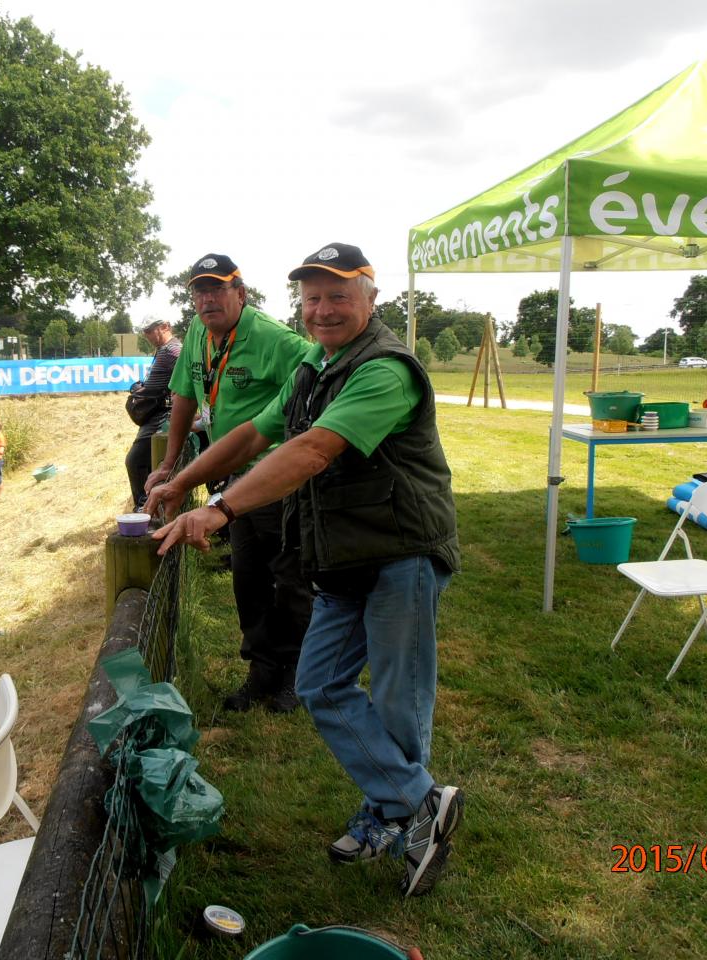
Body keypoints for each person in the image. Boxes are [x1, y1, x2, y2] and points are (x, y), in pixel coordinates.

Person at [149, 243, 463, 898]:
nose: (322, 310)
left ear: (371, 300)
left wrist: (223, 509)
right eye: (312, 297)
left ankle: (393, 813)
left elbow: (314, 449)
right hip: (342, 554)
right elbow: (253, 436)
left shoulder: (386, 370)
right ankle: (419, 800)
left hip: (401, 551)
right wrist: (183, 481)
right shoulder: (313, 368)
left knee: (399, 700)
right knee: (320, 683)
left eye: (338, 296)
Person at [145, 253, 313, 713]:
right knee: (247, 577)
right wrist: (172, 463)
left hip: (275, 480)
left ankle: (297, 674)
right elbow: (183, 395)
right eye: (199, 291)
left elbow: (318, 385)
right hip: (229, 479)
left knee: (291, 579)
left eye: (217, 289)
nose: (206, 299)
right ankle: (261, 669)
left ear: (241, 292)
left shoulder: (278, 341)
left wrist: (297, 452)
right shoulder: (199, 333)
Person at [124, 316, 182, 510]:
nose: (146, 335)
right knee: (147, 464)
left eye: (150, 330)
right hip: (154, 414)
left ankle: (143, 508)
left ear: (165, 326)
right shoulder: (162, 350)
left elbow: (187, 379)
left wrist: (177, 406)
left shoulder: (173, 350)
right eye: (144, 331)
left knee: (135, 461)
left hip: (162, 416)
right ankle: (151, 507)